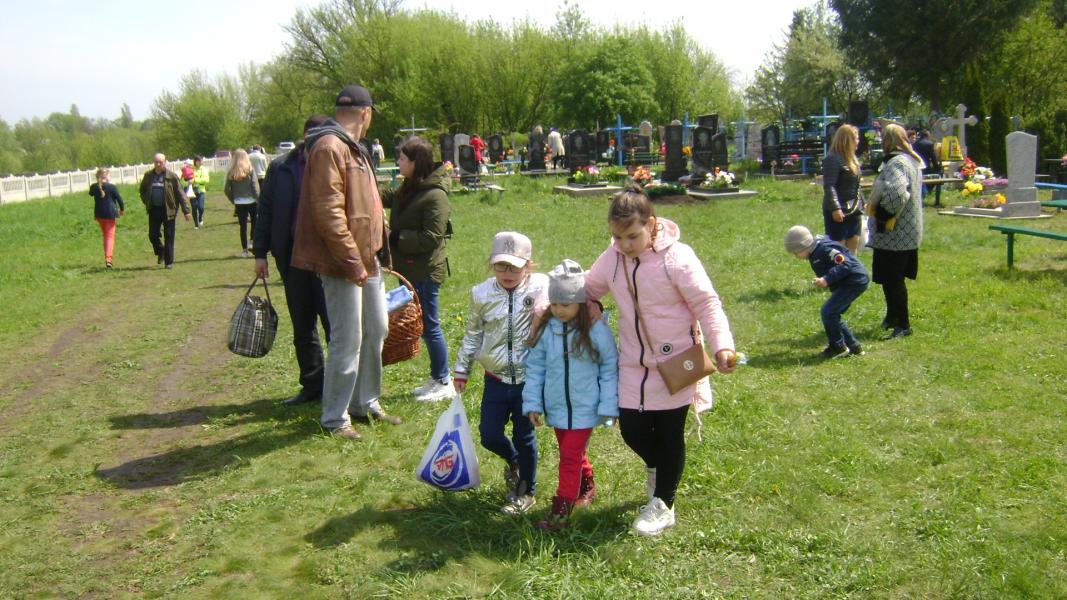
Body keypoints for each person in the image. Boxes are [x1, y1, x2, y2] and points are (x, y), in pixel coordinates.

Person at [585, 186, 737, 537]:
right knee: (633, 429)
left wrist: (722, 346)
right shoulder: (612, 259)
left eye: (632, 236)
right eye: (616, 236)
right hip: (632, 364)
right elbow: (589, 290)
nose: (624, 245)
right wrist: (562, 299)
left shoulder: (678, 258)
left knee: (670, 434)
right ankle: (657, 469)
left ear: (652, 225)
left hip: (680, 361)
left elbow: (707, 303)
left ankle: (663, 503)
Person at [291, 84, 400, 440]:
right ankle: (336, 418)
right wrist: (352, 262)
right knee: (347, 338)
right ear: (366, 114)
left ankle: (364, 401)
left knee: (377, 329)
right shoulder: (328, 147)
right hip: (343, 263)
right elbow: (328, 214)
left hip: (368, 260)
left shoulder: (353, 148)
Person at [453, 231, 549, 514]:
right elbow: (472, 334)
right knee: (489, 434)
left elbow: (576, 284)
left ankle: (526, 491)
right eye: (500, 266)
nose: (507, 273)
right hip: (494, 378)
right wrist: (462, 370)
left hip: (527, 380)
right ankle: (515, 460)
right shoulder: (481, 293)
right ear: (491, 264)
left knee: (525, 435)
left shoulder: (541, 287)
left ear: (528, 265)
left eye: (514, 267)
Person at [522, 259, 618, 531]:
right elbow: (536, 366)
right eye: (554, 304)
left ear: (580, 302)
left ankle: (561, 513)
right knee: (571, 453)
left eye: (566, 304)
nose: (559, 310)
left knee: (569, 456)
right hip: (557, 406)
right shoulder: (546, 330)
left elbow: (610, 366)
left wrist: (609, 405)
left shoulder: (596, 329)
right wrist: (533, 403)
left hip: (586, 408)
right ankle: (586, 486)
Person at [253, 114, 332, 406]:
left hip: (327, 259)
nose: (313, 138)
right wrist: (260, 253)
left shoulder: (333, 162)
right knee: (302, 324)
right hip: (292, 256)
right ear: (303, 135)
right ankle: (312, 384)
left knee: (333, 324)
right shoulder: (281, 167)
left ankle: (338, 388)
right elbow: (266, 211)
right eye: (309, 133)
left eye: (319, 133)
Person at [384, 136, 454, 402]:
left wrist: (394, 237)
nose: (398, 163)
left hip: (425, 271)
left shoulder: (435, 195)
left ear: (415, 162)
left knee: (429, 325)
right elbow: (391, 198)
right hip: (410, 269)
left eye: (402, 159)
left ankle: (443, 380)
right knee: (423, 323)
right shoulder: (411, 186)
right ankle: (436, 377)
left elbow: (430, 238)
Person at [866, 123, 925, 340]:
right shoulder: (912, 160)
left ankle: (903, 324)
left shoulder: (897, 163)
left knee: (894, 279)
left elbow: (896, 194)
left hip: (895, 232)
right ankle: (891, 316)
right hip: (907, 231)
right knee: (889, 277)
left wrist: (882, 213)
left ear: (890, 141)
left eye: (884, 140)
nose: (882, 144)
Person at [785, 225, 869, 358]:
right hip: (848, 281)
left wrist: (826, 279)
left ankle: (838, 347)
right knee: (833, 314)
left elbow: (846, 264)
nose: (796, 256)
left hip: (854, 280)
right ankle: (854, 348)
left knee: (828, 312)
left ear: (803, 246)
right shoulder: (815, 251)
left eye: (796, 252)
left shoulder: (824, 249)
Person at [139, 153, 191, 269]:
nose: (158, 164)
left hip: (169, 210)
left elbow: (180, 193)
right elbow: (142, 190)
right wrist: (146, 201)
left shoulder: (171, 176)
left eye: (160, 162)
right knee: (152, 235)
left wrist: (186, 210)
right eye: (156, 162)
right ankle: (160, 250)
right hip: (154, 209)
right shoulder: (148, 176)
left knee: (169, 236)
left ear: (165, 162)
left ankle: (169, 262)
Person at [822, 124, 864, 254]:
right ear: (847, 140)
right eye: (855, 138)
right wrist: (835, 208)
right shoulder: (832, 159)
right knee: (839, 251)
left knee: (853, 249)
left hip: (854, 210)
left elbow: (856, 185)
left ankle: (851, 274)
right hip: (839, 211)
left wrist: (863, 201)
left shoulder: (852, 160)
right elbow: (829, 185)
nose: (858, 142)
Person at [224, 149, 260, 257]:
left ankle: (244, 250)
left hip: (239, 202)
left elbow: (226, 189)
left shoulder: (231, 172)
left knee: (242, 226)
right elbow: (254, 186)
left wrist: (233, 199)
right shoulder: (250, 170)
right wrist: (259, 199)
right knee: (254, 222)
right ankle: (252, 242)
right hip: (252, 200)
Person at [88, 168, 124, 269]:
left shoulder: (94, 187)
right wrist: (122, 210)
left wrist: (98, 184)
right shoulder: (111, 187)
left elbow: (91, 193)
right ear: (106, 177)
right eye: (109, 175)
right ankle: (109, 259)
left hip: (99, 215)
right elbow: (119, 199)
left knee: (105, 236)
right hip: (110, 215)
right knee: (110, 237)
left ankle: (107, 257)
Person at [191, 156, 210, 228]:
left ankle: (200, 217)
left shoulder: (204, 169)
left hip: (201, 190)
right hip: (192, 191)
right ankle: (196, 224)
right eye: (198, 161)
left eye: (201, 161)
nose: (200, 162)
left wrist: (196, 180)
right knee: (194, 207)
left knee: (201, 207)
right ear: (195, 161)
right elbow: (185, 179)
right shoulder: (191, 169)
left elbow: (207, 180)